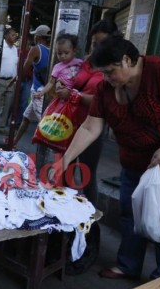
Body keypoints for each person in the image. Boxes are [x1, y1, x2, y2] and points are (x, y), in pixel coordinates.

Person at [56, 35, 160, 280]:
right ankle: (127, 265)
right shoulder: (106, 89)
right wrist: (65, 159)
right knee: (130, 216)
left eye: (110, 72)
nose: (105, 79)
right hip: (133, 165)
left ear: (126, 60)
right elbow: (90, 127)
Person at [50, 19, 121, 206]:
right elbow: (71, 80)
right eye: (94, 43)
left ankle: (91, 223)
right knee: (66, 173)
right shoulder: (85, 62)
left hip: (92, 127)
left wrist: (75, 96)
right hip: (70, 124)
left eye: (101, 43)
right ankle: (64, 217)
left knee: (87, 175)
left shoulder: (113, 67)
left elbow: (105, 99)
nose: (97, 47)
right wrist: (61, 84)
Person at [13, 25, 51, 148]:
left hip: (38, 90)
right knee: (26, 118)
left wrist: (17, 79)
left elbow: (25, 67)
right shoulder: (51, 50)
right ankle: (14, 142)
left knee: (45, 124)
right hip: (44, 88)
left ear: (38, 36)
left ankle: (47, 152)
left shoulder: (35, 49)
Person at [32, 33, 83, 100]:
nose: (62, 56)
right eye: (59, 53)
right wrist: (42, 92)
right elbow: (51, 82)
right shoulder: (57, 67)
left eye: (66, 53)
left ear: (74, 51)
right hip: (63, 96)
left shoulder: (80, 62)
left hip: (77, 94)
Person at [0, 27, 19, 134]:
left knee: (8, 105)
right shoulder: (0, 47)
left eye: (15, 35)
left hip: (11, 81)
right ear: (6, 36)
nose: (15, 36)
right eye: (12, 34)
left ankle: (1, 126)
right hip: (0, 80)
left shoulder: (15, 49)